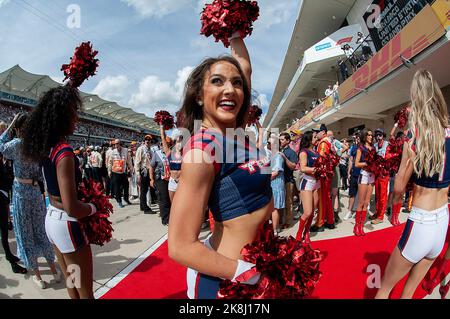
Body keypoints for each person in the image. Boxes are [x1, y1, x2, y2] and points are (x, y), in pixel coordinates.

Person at [168, 33, 272, 299]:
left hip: (258, 266)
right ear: (200, 96)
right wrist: (247, 274)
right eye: (217, 81)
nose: (230, 89)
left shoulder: (236, 132)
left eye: (236, 83)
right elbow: (179, 246)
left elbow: (245, 67)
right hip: (226, 282)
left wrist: (235, 31)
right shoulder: (201, 150)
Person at [376, 69, 449, 299]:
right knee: (409, 294)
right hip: (442, 221)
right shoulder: (448, 132)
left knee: (385, 288)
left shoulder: (413, 136)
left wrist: (396, 198)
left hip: (422, 222)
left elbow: (398, 187)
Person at [22, 85, 98, 299]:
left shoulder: (48, 147)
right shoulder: (64, 152)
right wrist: (94, 207)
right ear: (62, 117)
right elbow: (73, 207)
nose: (76, 118)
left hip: (53, 221)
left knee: (72, 284)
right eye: (73, 112)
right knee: (86, 293)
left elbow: (55, 196)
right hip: (67, 225)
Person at [0, 113, 59, 288]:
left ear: (18, 129)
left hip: (20, 192)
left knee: (25, 234)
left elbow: (0, 144)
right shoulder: (37, 144)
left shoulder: (16, 144)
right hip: (35, 191)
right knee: (41, 231)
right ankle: (54, 271)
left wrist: (10, 125)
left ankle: (39, 277)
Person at [0, 151, 27, 274]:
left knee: (4, 232)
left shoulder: (5, 164)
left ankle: (8, 255)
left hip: (4, 197)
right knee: (4, 231)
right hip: (1, 198)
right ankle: (11, 261)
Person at [295, 131, 320, 243]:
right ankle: (299, 233)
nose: (316, 138)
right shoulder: (303, 152)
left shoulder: (315, 152)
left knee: (313, 211)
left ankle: (306, 233)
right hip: (308, 182)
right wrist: (318, 170)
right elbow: (303, 168)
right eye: (314, 137)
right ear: (309, 139)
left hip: (317, 182)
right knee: (308, 212)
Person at [311, 124, 335, 232]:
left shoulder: (324, 142)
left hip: (323, 175)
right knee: (327, 198)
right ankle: (330, 221)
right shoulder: (326, 141)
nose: (316, 134)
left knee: (322, 199)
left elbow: (320, 159)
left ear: (323, 132)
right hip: (327, 174)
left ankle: (320, 223)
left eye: (317, 131)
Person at [353, 129, 374, 236]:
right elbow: (356, 164)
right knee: (361, 203)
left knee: (366, 203)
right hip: (364, 175)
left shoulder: (373, 148)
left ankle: (361, 226)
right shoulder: (360, 148)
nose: (370, 137)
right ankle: (356, 226)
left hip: (372, 176)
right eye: (368, 135)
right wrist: (367, 163)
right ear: (365, 136)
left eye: (371, 135)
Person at [370, 128, 390, 224]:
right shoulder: (374, 146)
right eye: (377, 135)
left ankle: (381, 216)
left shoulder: (387, 145)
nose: (378, 137)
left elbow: (389, 158)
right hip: (377, 173)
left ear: (383, 135)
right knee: (377, 195)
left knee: (382, 195)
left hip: (384, 174)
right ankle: (377, 213)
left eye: (380, 135)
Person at [150, 139, 171, 226]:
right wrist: (151, 179)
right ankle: (165, 220)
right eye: (163, 143)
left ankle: (172, 217)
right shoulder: (157, 154)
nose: (165, 145)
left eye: (167, 143)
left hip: (171, 180)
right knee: (163, 200)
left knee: (171, 199)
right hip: (161, 180)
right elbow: (151, 167)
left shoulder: (172, 153)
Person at [279, 132, 298, 229]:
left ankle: (287, 221)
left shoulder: (292, 153)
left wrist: (284, 157)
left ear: (288, 140)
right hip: (279, 180)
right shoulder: (279, 150)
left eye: (282, 139)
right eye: (280, 139)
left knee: (288, 202)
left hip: (288, 180)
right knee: (280, 201)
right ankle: (279, 219)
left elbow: (293, 166)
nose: (280, 141)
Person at [160, 126, 183, 203]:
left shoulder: (186, 153)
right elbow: (163, 138)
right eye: (178, 141)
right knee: (173, 204)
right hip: (172, 181)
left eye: (181, 141)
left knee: (182, 203)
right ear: (175, 142)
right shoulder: (169, 152)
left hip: (182, 181)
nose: (179, 142)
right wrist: (161, 125)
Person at [267, 137, 284, 235]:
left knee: (275, 207)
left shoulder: (278, 156)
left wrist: (265, 180)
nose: (268, 144)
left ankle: (274, 230)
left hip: (276, 183)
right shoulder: (272, 155)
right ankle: (276, 227)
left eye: (270, 143)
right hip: (273, 183)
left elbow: (276, 172)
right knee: (273, 207)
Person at [108, 139, 132, 208]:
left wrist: (131, 168)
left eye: (117, 143)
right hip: (115, 172)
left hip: (123, 172)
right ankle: (119, 201)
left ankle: (126, 199)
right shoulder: (113, 152)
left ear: (120, 144)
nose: (116, 145)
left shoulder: (125, 150)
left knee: (126, 186)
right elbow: (110, 162)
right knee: (117, 187)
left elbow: (129, 160)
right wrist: (109, 171)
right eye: (115, 144)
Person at [135, 135, 155, 214]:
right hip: (143, 171)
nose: (147, 141)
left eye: (149, 140)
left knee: (145, 190)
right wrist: (138, 174)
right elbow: (137, 162)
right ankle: (145, 208)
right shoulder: (141, 149)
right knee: (144, 190)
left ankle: (142, 206)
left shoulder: (151, 150)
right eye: (146, 139)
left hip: (149, 171)